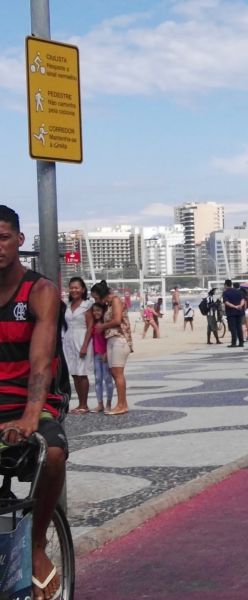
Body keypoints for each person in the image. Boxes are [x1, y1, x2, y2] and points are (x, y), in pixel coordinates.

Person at [0, 206, 71, 600]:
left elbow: (42, 361)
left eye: (3, 237)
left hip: (32, 400)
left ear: (19, 241)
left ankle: (39, 543)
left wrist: (30, 417)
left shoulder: (39, 291)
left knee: (54, 453)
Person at [91, 280, 133, 416]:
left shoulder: (115, 300)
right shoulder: (109, 304)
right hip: (112, 339)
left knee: (117, 373)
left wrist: (101, 327)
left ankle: (122, 404)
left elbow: (117, 320)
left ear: (102, 294)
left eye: (96, 298)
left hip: (119, 338)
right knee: (114, 373)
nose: (96, 301)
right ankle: (121, 403)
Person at [64, 276, 93, 414]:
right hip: (69, 339)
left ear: (82, 289)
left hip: (82, 338)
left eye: (77, 287)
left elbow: (90, 326)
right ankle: (80, 404)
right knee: (74, 373)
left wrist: (85, 346)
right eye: (71, 287)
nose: (74, 290)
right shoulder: (68, 304)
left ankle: (84, 404)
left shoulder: (87, 305)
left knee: (82, 373)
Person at [90, 302, 114, 413]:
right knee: (98, 379)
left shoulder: (105, 325)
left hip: (105, 355)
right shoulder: (93, 324)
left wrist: (106, 353)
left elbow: (109, 339)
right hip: (96, 355)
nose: (96, 313)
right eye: (94, 310)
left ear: (103, 311)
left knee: (108, 379)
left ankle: (108, 403)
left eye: (98, 310)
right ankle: (100, 404)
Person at [222, 279, 245, 347]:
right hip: (239, 312)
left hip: (231, 313)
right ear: (231, 284)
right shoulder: (237, 291)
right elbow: (243, 300)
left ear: (225, 285)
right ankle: (241, 343)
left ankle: (234, 343)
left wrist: (234, 307)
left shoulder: (225, 292)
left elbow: (226, 302)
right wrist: (240, 306)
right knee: (239, 327)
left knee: (233, 328)